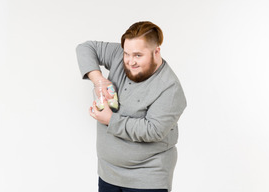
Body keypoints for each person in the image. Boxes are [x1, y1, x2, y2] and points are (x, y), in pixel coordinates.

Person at [76, 21, 187, 192]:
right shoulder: (119, 56)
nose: (130, 61)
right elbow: (85, 48)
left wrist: (110, 120)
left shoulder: (170, 88)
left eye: (138, 55)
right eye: (126, 53)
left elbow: (153, 130)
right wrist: (99, 79)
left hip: (147, 180)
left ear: (156, 51)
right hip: (108, 173)